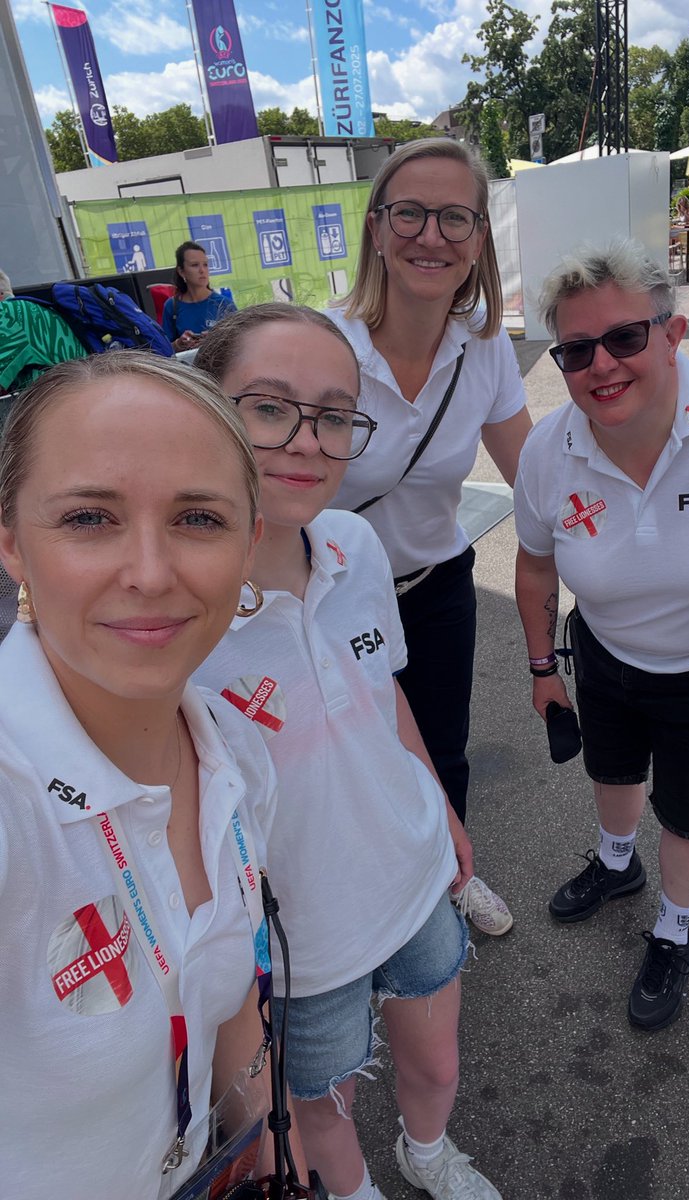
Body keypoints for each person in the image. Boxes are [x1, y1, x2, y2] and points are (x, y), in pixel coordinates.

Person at [194, 304, 503, 1200]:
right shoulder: (177, 613)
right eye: (268, 406)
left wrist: (441, 805)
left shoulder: (355, 544)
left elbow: (381, 690)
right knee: (319, 1112)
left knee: (437, 1068)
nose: (307, 440)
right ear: (205, 407)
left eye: (334, 414)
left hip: (412, 878)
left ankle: (428, 1151)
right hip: (300, 938)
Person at [0, 352, 312, 1198]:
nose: (148, 571)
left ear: (251, 543)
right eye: (90, 518)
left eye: (198, 520)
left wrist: (276, 1149)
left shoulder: (235, 754)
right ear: (10, 542)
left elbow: (229, 998)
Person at [514, 239, 689, 1030]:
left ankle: (674, 930)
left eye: (625, 338)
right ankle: (614, 864)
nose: (601, 365)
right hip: (605, 651)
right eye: (574, 350)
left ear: (673, 334)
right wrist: (543, 668)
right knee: (611, 768)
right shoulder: (547, 450)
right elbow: (534, 569)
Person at [327, 138, 533, 935]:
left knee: (443, 752)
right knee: (341, 761)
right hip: (328, 598)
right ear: (377, 228)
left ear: (479, 239)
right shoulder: (322, 346)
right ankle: (360, 913)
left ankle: (452, 878)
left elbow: (535, 478)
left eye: (456, 217)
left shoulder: (483, 350)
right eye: (409, 212)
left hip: (434, 586)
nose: (431, 235)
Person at [162, 240, 237, 353]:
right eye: (195, 265)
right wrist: (179, 344)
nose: (202, 270)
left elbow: (239, 342)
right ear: (181, 271)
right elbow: (164, 349)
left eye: (205, 264)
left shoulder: (224, 304)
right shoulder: (172, 306)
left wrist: (214, 340)